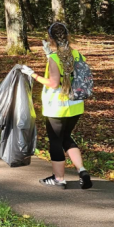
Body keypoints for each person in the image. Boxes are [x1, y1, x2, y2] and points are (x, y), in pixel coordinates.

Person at [20, 22, 93, 190]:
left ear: (50, 38)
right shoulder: (78, 55)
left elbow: (53, 83)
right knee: (66, 137)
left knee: (56, 140)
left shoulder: (54, 58)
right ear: (67, 36)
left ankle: (59, 179)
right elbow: (68, 70)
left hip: (57, 107)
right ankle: (82, 171)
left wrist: (33, 74)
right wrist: (48, 55)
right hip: (75, 105)